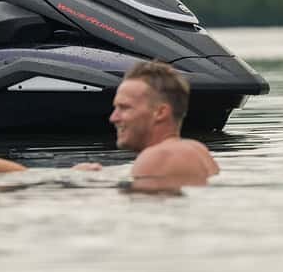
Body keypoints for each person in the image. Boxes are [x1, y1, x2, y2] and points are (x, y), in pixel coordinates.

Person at [75, 60, 219, 191]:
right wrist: (101, 176)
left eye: (125, 108)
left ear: (160, 112)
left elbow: (138, 208)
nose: (113, 118)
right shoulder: (197, 150)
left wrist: (85, 183)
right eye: (116, 108)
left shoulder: (157, 156)